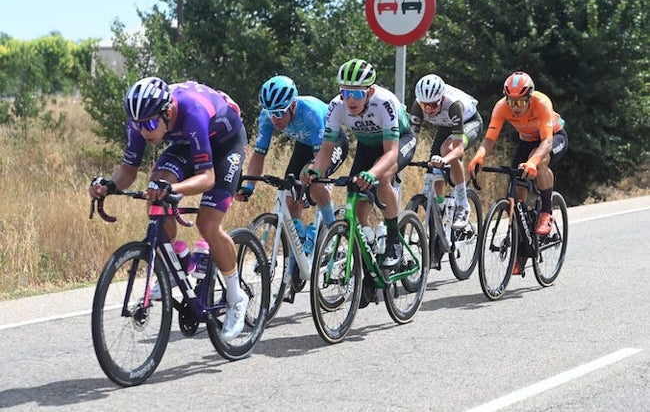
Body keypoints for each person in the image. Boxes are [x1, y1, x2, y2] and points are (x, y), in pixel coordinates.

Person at [88, 77, 249, 342]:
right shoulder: (143, 120)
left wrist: (174, 190)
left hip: (225, 146)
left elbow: (207, 178)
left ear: (168, 111)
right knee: (155, 192)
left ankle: (235, 296)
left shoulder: (192, 111)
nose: (144, 132)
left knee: (207, 224)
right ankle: (181, 263)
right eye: (138, 126)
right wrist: (108, 185)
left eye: (150, 124)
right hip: (186, 144)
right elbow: (128, 171)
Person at [236, 75, 349, 299]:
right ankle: (301, 247)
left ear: (293, 105)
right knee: (290, 193)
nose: (275, 119)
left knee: (315, 183)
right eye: (270, 112)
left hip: (330, 143)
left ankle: (330, 234)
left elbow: (320, 161)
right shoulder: (267, 116)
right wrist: (249, 185)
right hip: (304, 146)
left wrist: (312, 174)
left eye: (279, 112)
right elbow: (259, 154)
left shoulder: (311, 113)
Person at [301, 58, 417, 271]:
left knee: (382, 179)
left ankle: (393, 239)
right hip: (367, 144)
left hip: (399, 141)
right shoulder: (336, 106)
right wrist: (315, 170)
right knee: (355, 193)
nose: (350, 99)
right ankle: (367, 242)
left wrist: (372, 173)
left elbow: (391, 153)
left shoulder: (384, 102)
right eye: (345, 93)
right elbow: (326, 150)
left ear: (370, 92)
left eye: (357, 93)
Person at [468, 71, 568, 271]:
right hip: (527, 141)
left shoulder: (542, 103)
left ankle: (546, 211)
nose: (515, 107)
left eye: (520, 103)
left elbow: (547, 142)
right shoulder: (501, 107)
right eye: (511, 102)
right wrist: (479, 155)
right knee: (516, 194)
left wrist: (533, 162)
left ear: (529, 98)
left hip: (553, 138)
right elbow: (490, 138)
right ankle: (521, 249)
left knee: (539, 163)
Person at [409, 74, 484, 229]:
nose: (428, 110)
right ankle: (441, 207)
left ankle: (463, 204)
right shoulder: (417, 106)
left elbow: (458, 149)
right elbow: (411, 140)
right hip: (445, 125)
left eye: (433, 106)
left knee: (447, 150)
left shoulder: (454, 105)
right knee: (435, 173)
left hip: (469, 123)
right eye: (425, 106)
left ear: (442, 99)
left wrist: (445, 160)